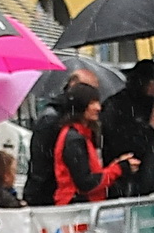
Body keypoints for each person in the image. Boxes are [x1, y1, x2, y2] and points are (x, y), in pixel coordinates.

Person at [25, 71, 101, 206]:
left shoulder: (77, 123)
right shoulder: (54, 120)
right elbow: (42, 164)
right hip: (51, 197)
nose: (97, 106)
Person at [100, 59, 154, 198]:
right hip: (127, 185)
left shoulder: (151, 106)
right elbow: (122, 144)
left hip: (151, 184)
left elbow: (151, 147)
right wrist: (150, 129)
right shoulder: (118, 106)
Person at [55, 84, 137, 205]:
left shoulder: (81, 135)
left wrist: (117, 165)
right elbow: (86, 183)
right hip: (76, 209)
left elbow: (93, 176)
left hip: (81, 207)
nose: (98, 107)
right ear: (80, 106)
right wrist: (119, 168)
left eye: (98, 102)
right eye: (92, 103)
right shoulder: (74, 139)